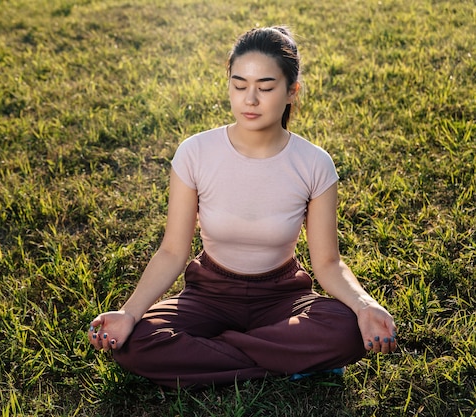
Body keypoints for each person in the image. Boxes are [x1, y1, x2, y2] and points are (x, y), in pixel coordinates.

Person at [88, 26, 397, 389]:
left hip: (283, 297)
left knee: (345, 329)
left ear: (291, 93)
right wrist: (128, 313)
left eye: (265, 87)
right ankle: (288, 360)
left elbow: (328, 263)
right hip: (209, 294)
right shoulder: (195, 153)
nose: (250, 99)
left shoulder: (314, 164)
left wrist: (364, 306)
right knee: (136, 343)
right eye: (239, 85)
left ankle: (212, 358)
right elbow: (172, 251)